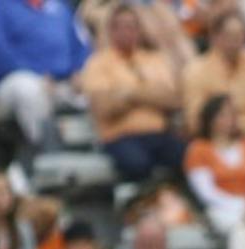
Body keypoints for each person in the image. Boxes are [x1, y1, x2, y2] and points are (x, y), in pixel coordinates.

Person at [78, 3, 184, 184]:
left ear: (139, 30)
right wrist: (151, 94)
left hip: (158, 132)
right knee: (137, 163)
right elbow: (104, 108)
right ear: (111, 31)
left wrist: (129, 93)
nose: (126, 31)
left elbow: (174, 99)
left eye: (131, 26)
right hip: (120, 136)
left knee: (187, 155)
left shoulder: (155, 59)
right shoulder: (97, 64)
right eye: (120, 26)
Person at [0, 0, 90, 149]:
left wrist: (79, 71)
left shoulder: (59, 7)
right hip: (14, 82)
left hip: (62, 82)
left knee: (95, 88)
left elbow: (80, 47)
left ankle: (93, 149)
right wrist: (39, 74)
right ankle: (46, 151)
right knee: (29, 90)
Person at [183, 11, 245, 150]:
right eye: (230, 35)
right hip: (214, 140)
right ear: (214, 37)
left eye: (241, 35)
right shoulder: (196, 70)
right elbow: (195, 120)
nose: (237, 40)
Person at [184, 96, 245, 235]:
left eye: (234, 114)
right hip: (220, 209)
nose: (231, 119)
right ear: (210, 119)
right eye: (224, 114)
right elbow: (206, 192)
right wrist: (239, 205)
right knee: (241, 228)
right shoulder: (198, 149)